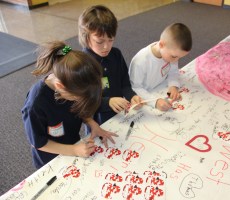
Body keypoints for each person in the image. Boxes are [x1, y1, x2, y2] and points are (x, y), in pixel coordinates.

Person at [22, 41, 118, 169]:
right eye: (79, 98)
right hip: (51, 160)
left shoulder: (72, 86)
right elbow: (38, 143)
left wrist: (92, 123)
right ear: (60, 87)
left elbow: (78, 108)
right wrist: (73, 150)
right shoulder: (35, 105)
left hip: (74, 143)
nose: (82, 101)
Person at [78, 5, 142, 123]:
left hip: (119, 115)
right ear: (86, 38)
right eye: (99, 41)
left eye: (111, 39)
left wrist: (132, 96)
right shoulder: (82, 64)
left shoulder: (116, 54)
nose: (106, 47)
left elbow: (125, 84)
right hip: (98, 122)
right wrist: (108, 102)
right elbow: (83, 102)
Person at [129, 23, 192, 111]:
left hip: (158, 89)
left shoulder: (170, 53)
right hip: (143, 97)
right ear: (161, 45)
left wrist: (173, 86)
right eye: (174, 56)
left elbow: (173, 72)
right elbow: (135, 87)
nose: (175, 60)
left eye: (179, 57)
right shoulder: (140, 61)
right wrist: (155, 101)